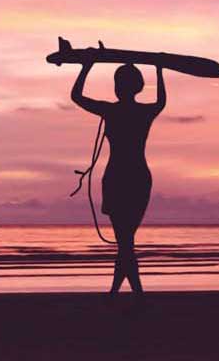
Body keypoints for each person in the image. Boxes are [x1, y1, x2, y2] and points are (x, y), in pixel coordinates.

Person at [69, 62, 164, 299]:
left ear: (118, 87)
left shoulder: (111, 111)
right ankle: (124, 292)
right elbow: (161, 102)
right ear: (139, 86)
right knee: (126, 240)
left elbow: (76, 96)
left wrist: (87, 66)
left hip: (119, 177)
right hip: (137, 178)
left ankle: (128, 293)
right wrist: (159, 69)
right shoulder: (144, 112)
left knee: (125, 240)